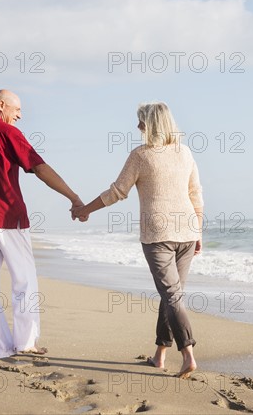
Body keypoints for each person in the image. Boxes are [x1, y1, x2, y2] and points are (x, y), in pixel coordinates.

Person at [0, 89, 84, 360]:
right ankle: (25, 342)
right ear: (1, 105)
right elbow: (40, 168)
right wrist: (74, 197)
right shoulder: (8, 133)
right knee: (24, 280)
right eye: (17, 110)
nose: (20, 116)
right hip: (8, 218)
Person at [73, 102, 204, 378]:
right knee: (171, 295)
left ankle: (188, 353)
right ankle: (160, 355)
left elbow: (117, 192)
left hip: (158, 236)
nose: (138, 127)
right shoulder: (186, 153)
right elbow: (196, 195)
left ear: (152, 124)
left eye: (141, 121)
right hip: (188, 233)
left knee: (171, 295)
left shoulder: (141, 155)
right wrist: (198, 231)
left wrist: (85, 209)